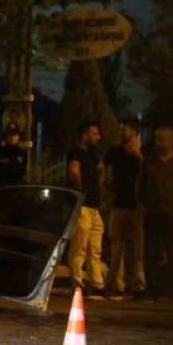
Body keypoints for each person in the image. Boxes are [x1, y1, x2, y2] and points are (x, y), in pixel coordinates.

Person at [141, 126, 173, 301]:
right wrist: (142, 206)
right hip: (153, 214)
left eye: (161, 139)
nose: (158, 143)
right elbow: (140, 185)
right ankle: (153, 289)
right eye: (156, 139)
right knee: (150, 254)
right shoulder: (149, 162)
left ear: (171, 141)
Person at [103, 120, 146, 300]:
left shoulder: (142, 154)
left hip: (137, 206)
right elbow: (104, 169)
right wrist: (106, 188)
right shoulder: (114, 151)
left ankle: (138, 284)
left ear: (135, 134)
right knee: (116, 245)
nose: (122, 133)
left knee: (137, 248)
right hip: (118, 205)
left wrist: (138, 155)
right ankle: (116, 284)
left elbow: (149, 174)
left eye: (125, 130)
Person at [66, 122, 107, 299]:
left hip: (93, 205)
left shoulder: (93, 155)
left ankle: (97, 283)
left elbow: (101, 170)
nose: (97, 137)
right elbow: (74, 171)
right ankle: (77, 282)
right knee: (80, 246)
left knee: (94, 246)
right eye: (94, 134)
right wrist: (81, 189)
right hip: (83, 205)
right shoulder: (77, 153)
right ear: (84, 135)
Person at [0, 122, 28, 191]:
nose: (12, 137)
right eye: (10, 134)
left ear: (18, 136)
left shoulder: (22, 153)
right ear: (6, 136)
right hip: (1, 191)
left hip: (17, 192)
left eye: (14, 134)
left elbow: (23, 172)